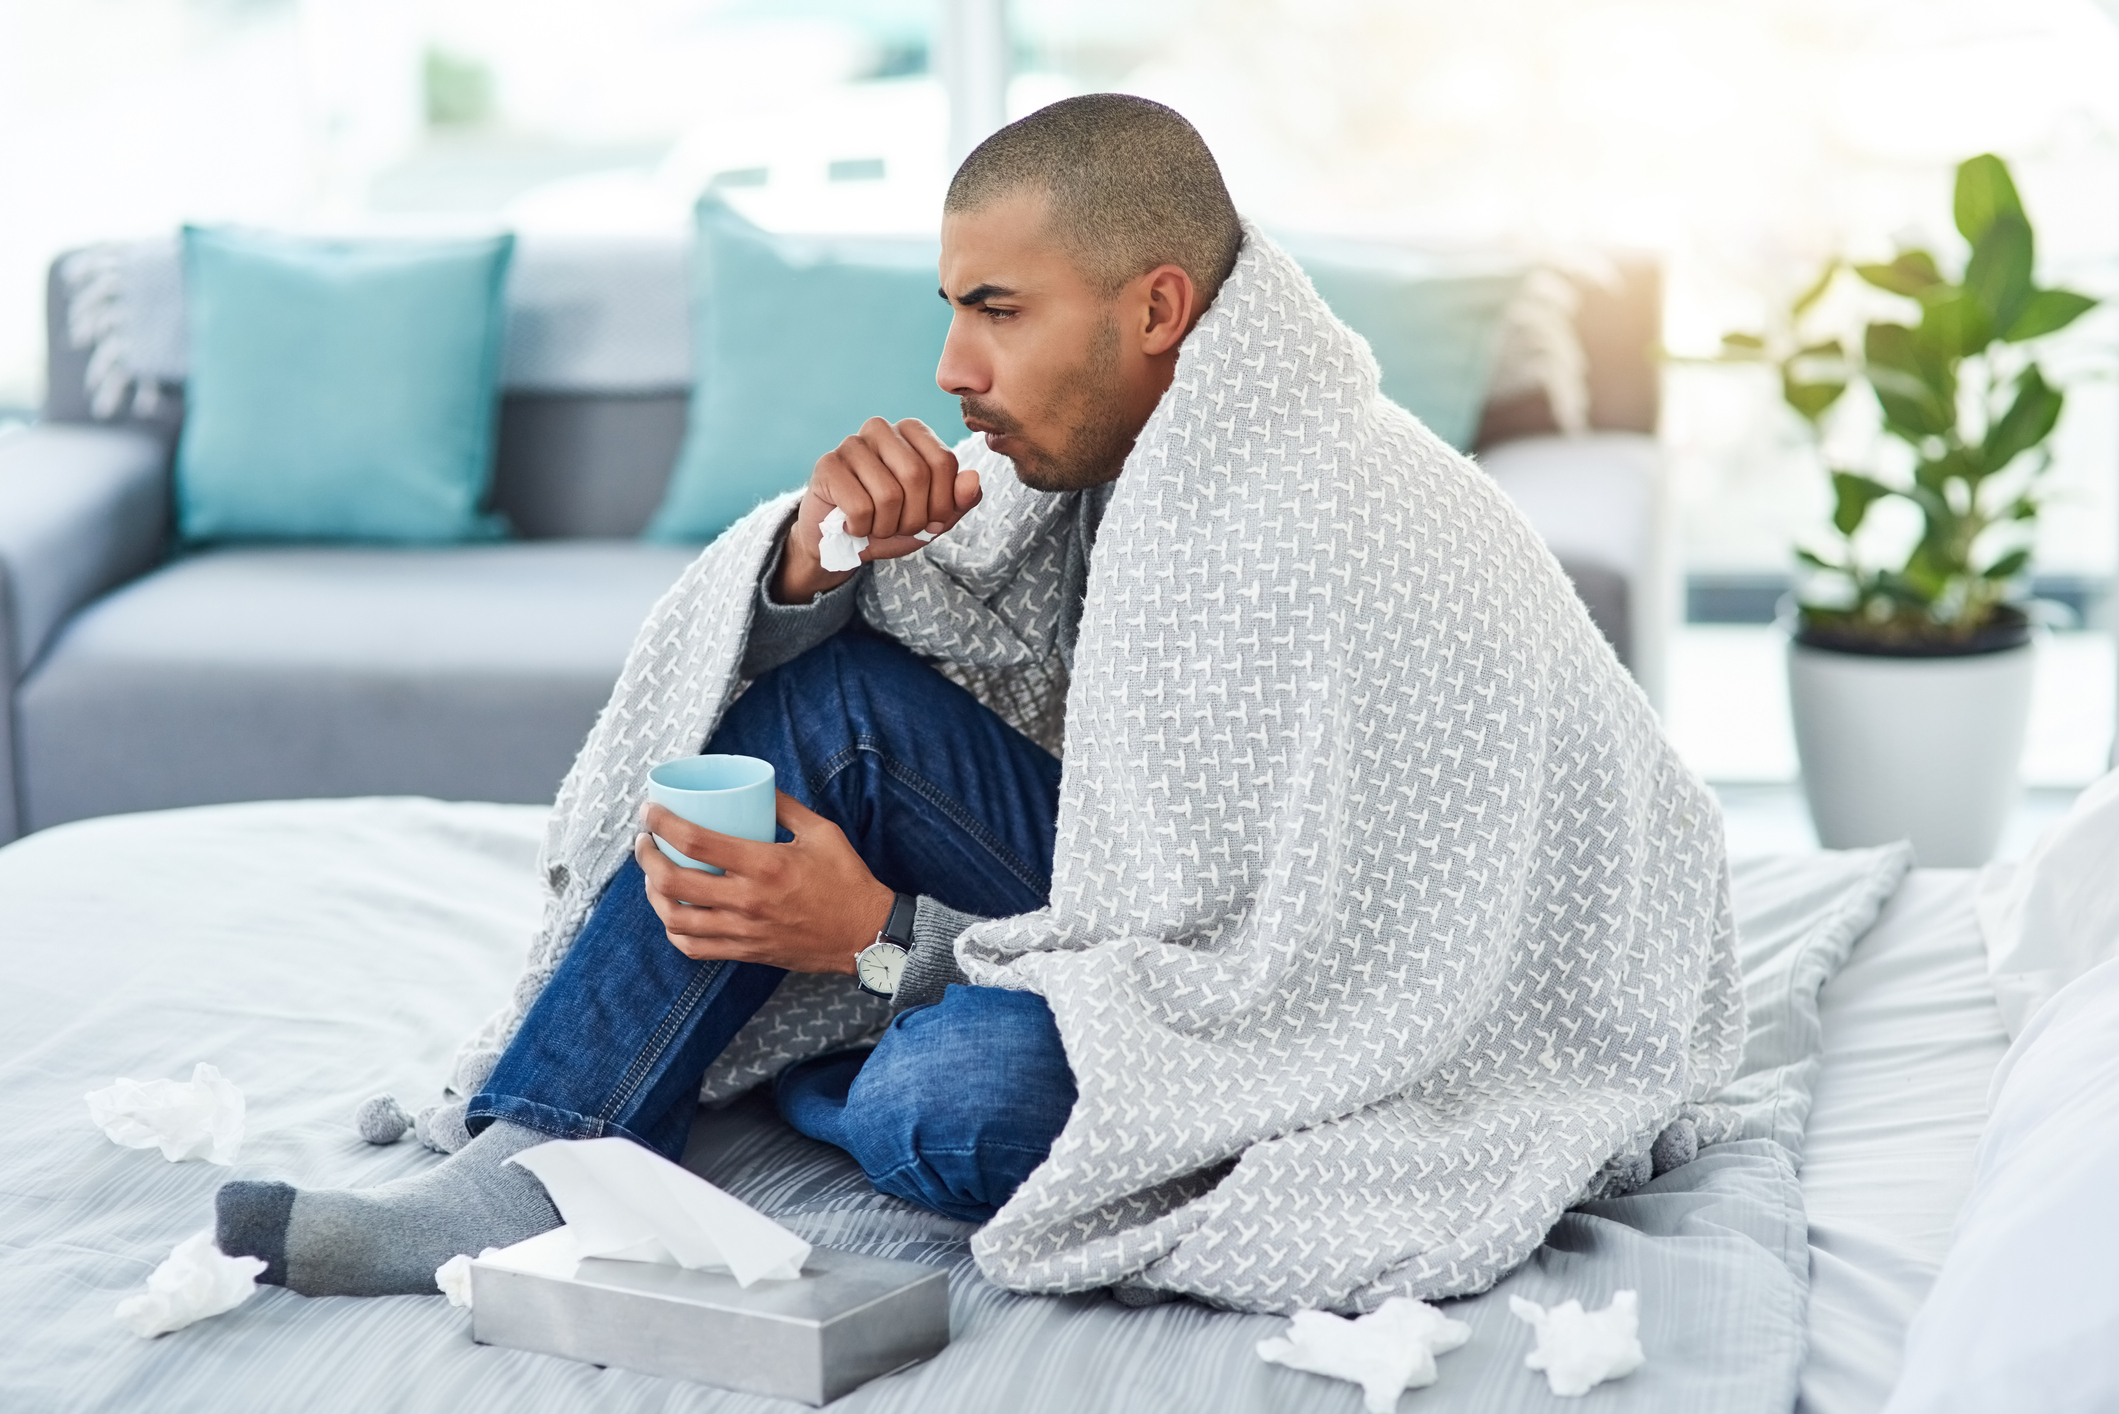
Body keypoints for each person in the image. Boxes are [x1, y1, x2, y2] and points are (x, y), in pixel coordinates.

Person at [215, 94, 1742, 1314]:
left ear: (1155, 307)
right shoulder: (1154, 445)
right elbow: (1007, 653)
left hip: (1379, 990)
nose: (954, 365)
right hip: (1194, 919)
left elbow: (1335, 972)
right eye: (953, 308)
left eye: (998, 309)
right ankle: (546, 1142)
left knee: (942, 1104)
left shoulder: (1326, 519)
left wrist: (883, 945)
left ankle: (796, 1056)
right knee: (838, 710)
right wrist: (823, 551)